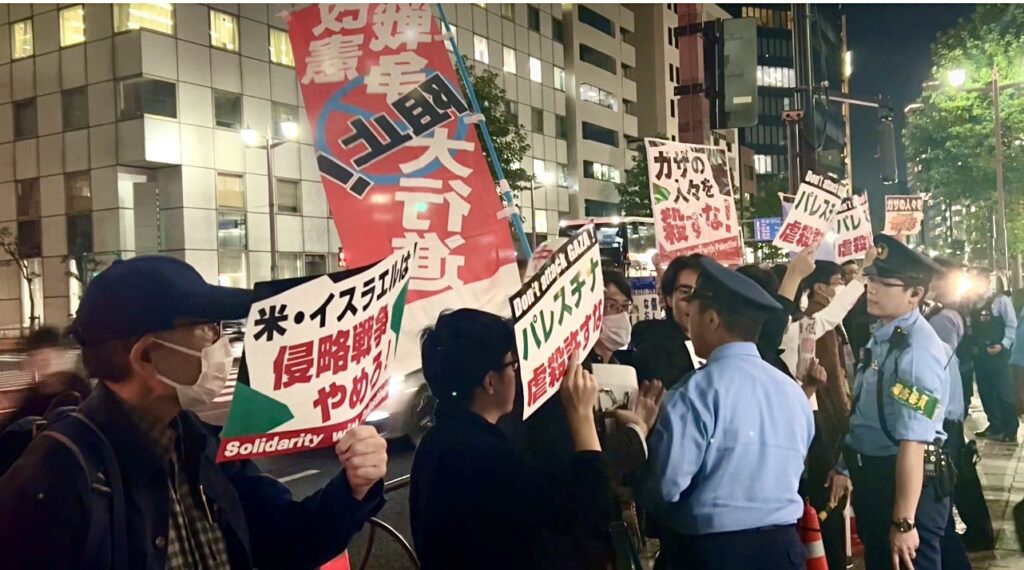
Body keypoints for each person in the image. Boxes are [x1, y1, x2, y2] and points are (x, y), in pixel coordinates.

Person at [0, 256, 388, 569]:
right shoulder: (56, 478)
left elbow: (284, 542)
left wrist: (353, 487)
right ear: (146, 356)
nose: (221, 343)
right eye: (207, 328)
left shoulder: (198, 442)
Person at [640, 257, 814, 570]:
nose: (689, 323)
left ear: (712, 320)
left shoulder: (695, 393)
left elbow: (666, 487)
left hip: (711, 553)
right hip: (782, 549)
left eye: (694, 314)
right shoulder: (792, 391)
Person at [410, 309, 617, 570]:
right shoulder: (488, 460)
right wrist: (582, 415)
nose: (518, 374)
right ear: (490, 382)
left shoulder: (435, 441)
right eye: (513, 365)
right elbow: (591, 515)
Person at [827, 235, 951, 570]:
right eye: (871, 279)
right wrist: (844, 464)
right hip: (878, 480)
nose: (873, 288)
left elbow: (914, 440)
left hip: (905, 485)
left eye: (885, 283)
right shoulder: (885, 338)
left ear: (915, 294)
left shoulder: (916, 353)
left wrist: (904, 523)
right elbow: (867, 410)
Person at [926, 259, 994, 564]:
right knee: (958, 475)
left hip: (943, 415)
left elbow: (932, 366)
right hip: (950, 410)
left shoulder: (944, 317)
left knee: (946, 482)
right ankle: (977, 534)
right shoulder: (949, 311)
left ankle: (966, 538)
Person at [797, 261, 852, 570]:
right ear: (819, 287)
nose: (841, 286)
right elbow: (832, 379)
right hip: (825, 420)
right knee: (828, 500)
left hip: (825, 417)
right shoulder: (816, 322)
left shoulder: (827, 321)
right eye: (837, 281)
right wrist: (845, 422)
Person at [0, 326, 92, 430]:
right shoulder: (35, 395)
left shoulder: (79, 393)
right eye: (34, 355)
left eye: (46, 356)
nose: (39, 360)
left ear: (63, 354)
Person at [631, 255, 699, 388]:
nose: (695, 302)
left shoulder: (719, 348)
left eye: (702, 293)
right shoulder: (654, 353)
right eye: (685, 292)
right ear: (668, 298)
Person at [967, 267, 1018, 442]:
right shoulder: (973, 303)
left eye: (979, 281)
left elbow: (1012, 325)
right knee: (985, 391)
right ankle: (995, 425)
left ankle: (1010, 430)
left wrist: (1003, 345)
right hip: (981, 355)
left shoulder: (1000, 300)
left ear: (987, 282)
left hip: (999, 355)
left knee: (1003, 391)